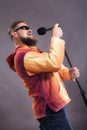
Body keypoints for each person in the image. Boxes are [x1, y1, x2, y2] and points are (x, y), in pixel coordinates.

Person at [6, 20, 80, 130]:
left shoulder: (33, 52)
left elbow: (53, 70)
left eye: (29, 28)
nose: (29, 30)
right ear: (14, 34)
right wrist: (56, 38)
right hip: (51, 110)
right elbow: (53, 63)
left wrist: (69, 73)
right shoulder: (23, 56)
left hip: (50, 110)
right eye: (24, 28)